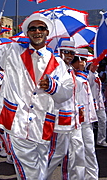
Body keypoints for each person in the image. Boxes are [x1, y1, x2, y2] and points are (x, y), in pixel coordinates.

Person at [0, 13, 74, 179]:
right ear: (27, 33)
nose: (37, 31)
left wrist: (53, 87)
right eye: (33, 28)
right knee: (29, 171)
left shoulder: (57, 62)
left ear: (47, 32)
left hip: (43, 124)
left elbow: (66, 92)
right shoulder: (12, 51)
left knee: (41, 169)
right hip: (16, 121)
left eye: (41, 28)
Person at [45, 40, 82, 179]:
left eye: (72, 53)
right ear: (60, 51)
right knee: (56, 153)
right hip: (60, 118)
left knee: (72, 154)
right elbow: (54, 90)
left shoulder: (70, 69)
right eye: (66, 52)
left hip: (72, 119)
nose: (70, 55)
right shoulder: (56, 65)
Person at [72, 48, 99, 179]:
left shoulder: (84, 78)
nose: (83, 63)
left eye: (84, 60)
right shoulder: (75, 79)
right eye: (81, 60)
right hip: (79, 119)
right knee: (78, 151)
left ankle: (92, 176)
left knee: (90, 149)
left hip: (86, 119)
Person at [87, 61, 107, 147]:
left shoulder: (96, 74)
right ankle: (89, 142)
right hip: (91, 102)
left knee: (103, 120)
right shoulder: (88, 75)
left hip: (99, 102)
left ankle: (101, 140)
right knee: (90, 123)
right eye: (95, 64)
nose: (97, 66)